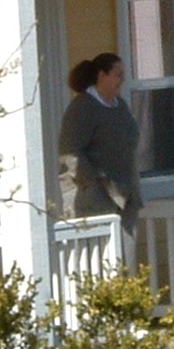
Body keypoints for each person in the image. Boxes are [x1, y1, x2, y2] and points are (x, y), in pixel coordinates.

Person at [58, 52, 144, 227]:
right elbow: (70, 152)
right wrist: (97, 184)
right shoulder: (83, 107)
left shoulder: (120, 105)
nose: (122, 80)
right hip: (93, 201)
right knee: (99, 254)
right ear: (101, 75)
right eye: (118, 74)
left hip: (126, 197)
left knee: (123, 254)